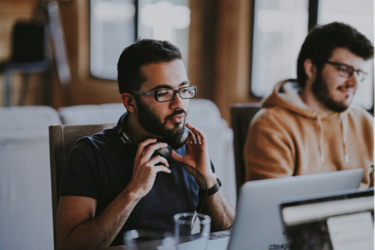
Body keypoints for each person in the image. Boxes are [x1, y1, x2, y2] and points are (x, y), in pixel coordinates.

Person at [56, 39, 235, 249]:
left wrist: (208, 181)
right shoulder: (90, 154)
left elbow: (230, 234)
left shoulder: (190, 149)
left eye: (184, 90)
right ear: (130, 102)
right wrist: (133, 191)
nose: (179, 104)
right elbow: (68, 247)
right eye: (164, 93)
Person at [244, 22, 374, 188]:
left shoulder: (365, 122)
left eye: (358, 73)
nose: (354, 83)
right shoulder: (271, 126)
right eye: (344, 69)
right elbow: (273, 208)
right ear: (311, 69)